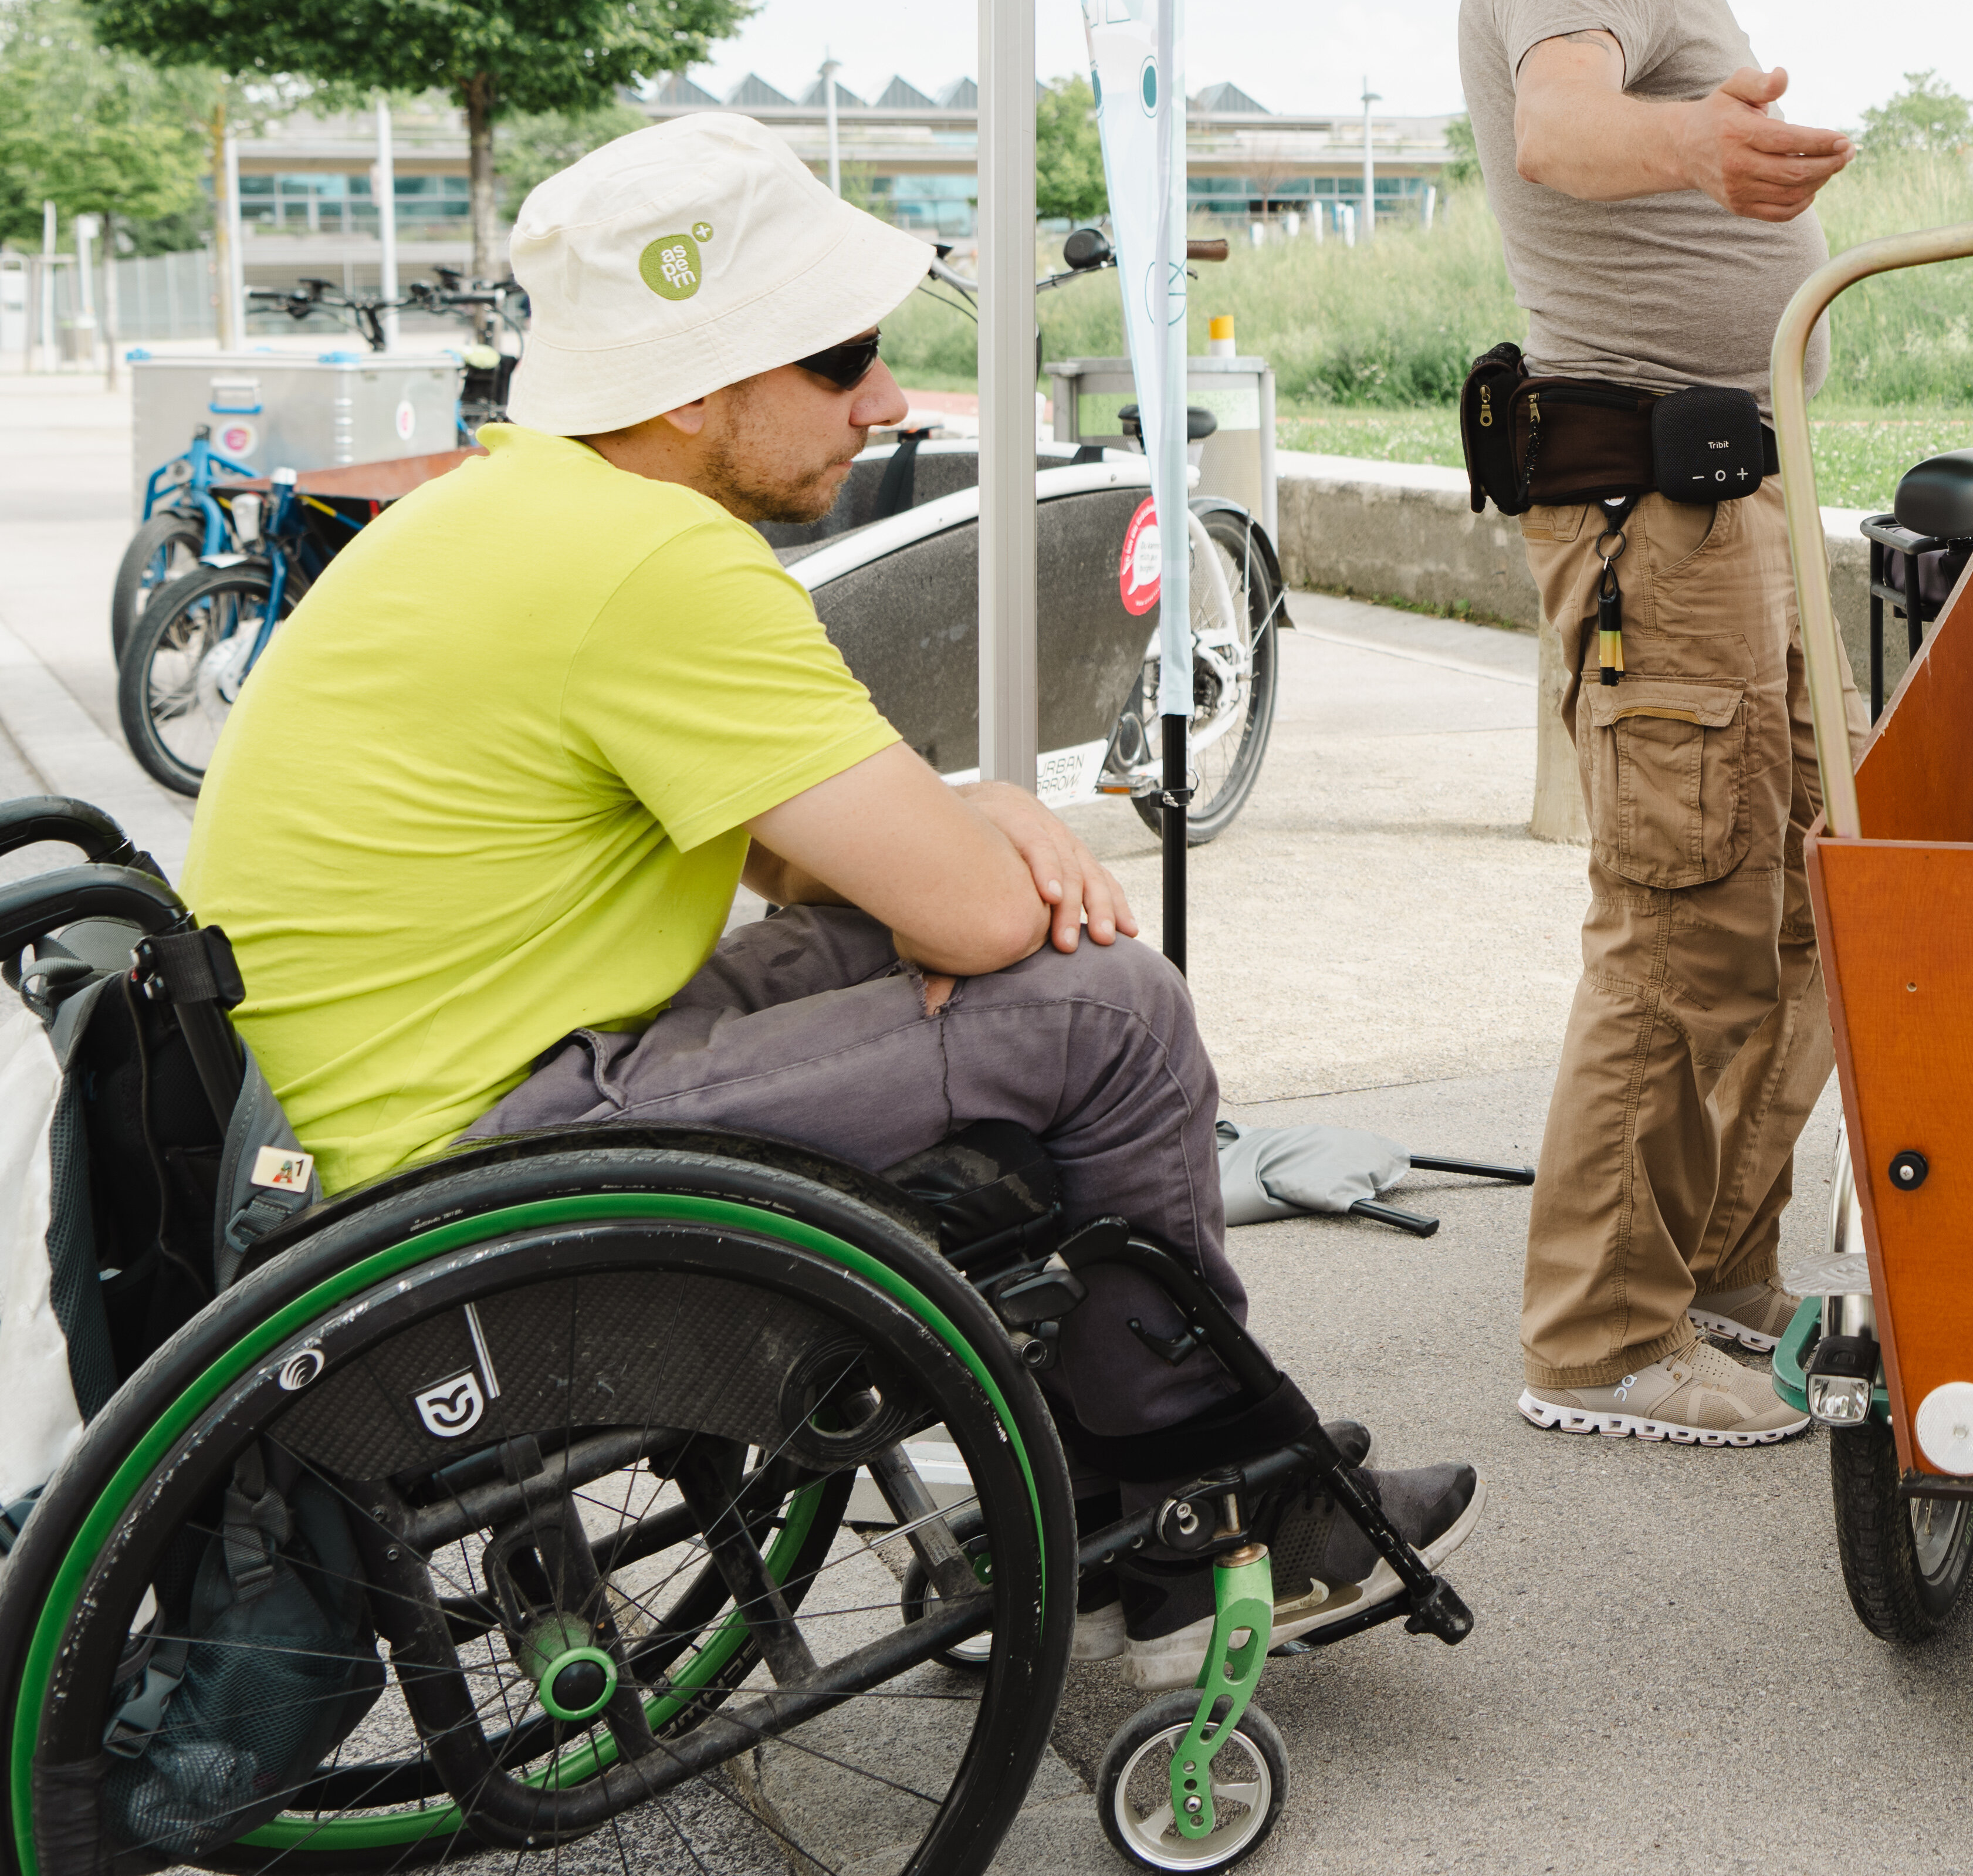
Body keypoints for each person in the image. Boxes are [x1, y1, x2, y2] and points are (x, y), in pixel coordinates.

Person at [182, 112, 1467, 1673]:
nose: (889, 397)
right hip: (478, 1173)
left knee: (947, 953)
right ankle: (1206, 1511)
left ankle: (1115, 1479)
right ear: (695, 385)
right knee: (1112, 1016)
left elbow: (808, 856)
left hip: (383, 1134)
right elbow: (983, 922)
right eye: (838, 355)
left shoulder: (510, 513)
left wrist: (970, 823)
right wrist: (974, 870)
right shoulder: (653, 564)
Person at [1456, 0, 1856, 1449]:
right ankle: (1601, 1341)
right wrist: (1698, 149)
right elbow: (1557, 128)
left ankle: (1710, 1281)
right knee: (1680, 919)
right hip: (1652, 512)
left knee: (1785, 916)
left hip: (1721, 503)